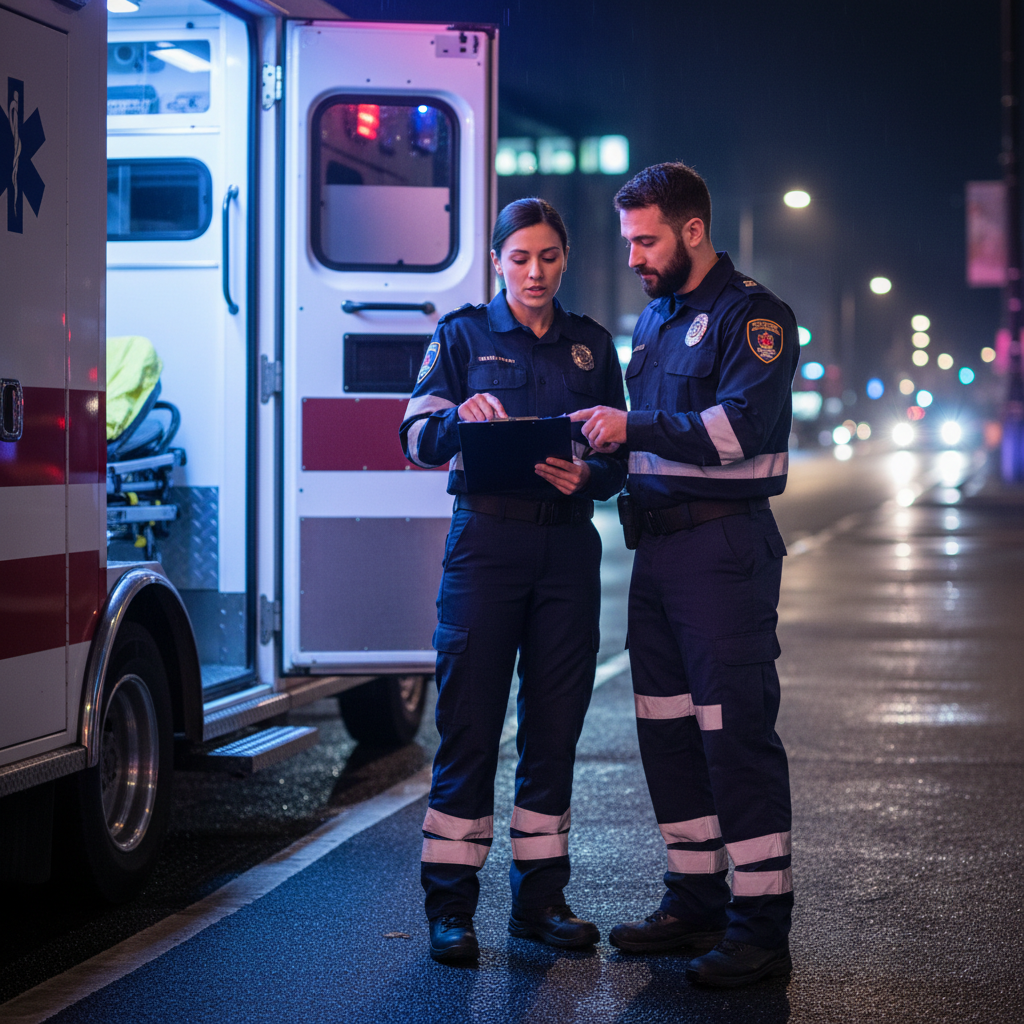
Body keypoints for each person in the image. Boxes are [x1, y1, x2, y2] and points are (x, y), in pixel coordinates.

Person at [571, 162, 799, 988]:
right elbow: (643, 441)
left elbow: (736, 431)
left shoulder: (756, 317)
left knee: (733, 736)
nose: (633, 255)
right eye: (628, 239)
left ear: (692, 231)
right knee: (666, 733)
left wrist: (631, 424)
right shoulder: (656, 321)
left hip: (722, 553)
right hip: (659, 554)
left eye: (646, 239)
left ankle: (760, 926)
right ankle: (695, 898)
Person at [400, 198, 627, 964]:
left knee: (553, 730)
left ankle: (540, 902)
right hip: (486, 546)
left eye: (550, 258)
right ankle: (450, 911)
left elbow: (619, 460)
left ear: (567, 259)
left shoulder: (592, 346)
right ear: (498, 259)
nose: (536, 272)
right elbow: (415, 436)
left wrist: (588, 475)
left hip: (566, 550)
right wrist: (460, 413)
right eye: (521, 257)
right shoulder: (460, 335)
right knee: (469, 725)